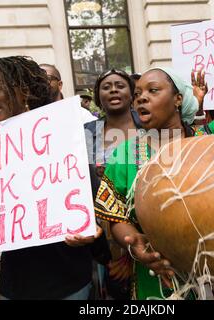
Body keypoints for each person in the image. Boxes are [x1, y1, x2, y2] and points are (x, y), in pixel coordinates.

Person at [93, 67, 214, 300]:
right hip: (158, 281)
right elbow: (113, 214)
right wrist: (135, 245)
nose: (142, 98)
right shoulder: (125, 153)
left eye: (153, 90)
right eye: (137, 95)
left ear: (178, 99)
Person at [0, 56, 101, 300]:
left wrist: (95, 230)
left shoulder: (63, 141)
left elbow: (100, 207)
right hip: (15, 285)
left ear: (23, 91)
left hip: (67, 283)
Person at [85, 69, 142, 300]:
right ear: (98, 98)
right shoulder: (87, 132)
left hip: (142, 226)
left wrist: (132, 254)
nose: (114, 90)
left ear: (132, 94)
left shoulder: (149, 125)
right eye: (106, 87)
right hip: (102, 236)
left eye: (120, 85)